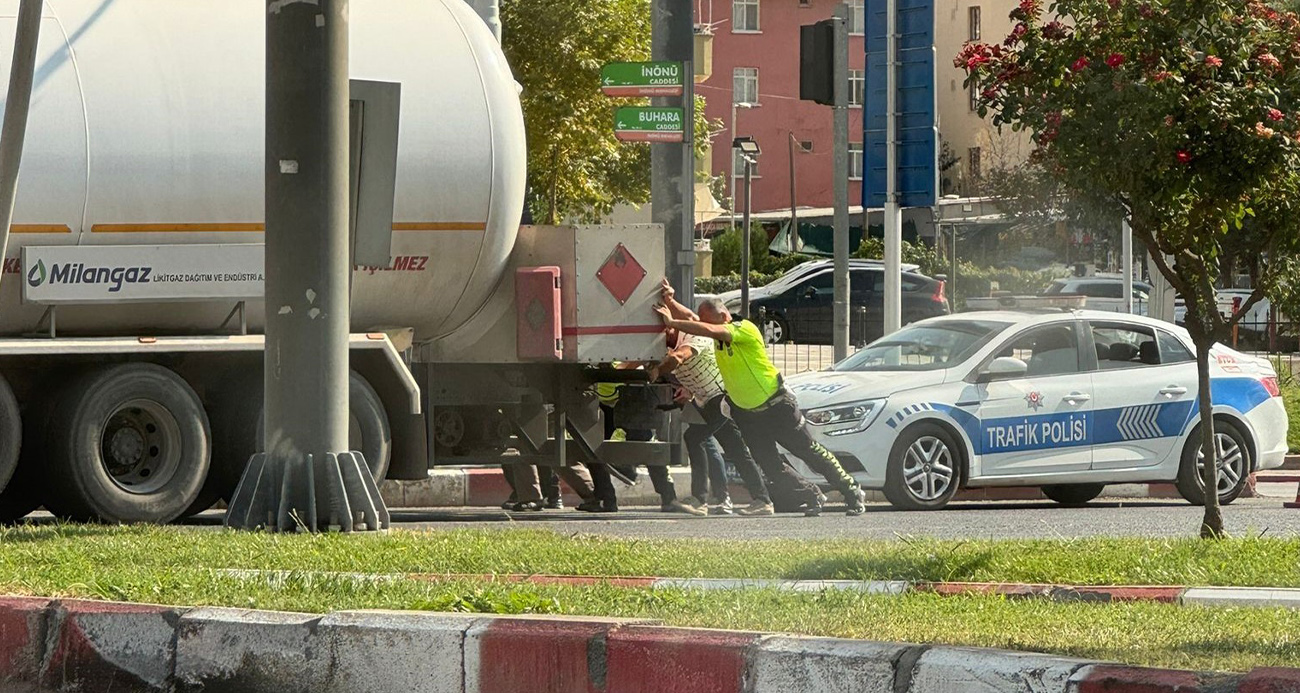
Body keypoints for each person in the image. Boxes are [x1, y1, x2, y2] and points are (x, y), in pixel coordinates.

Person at [654, 281, 867, 516]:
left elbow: (707, 329)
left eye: (709, 321)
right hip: (747, 414)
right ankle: (812, 494)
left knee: (808, 452)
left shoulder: (743, 329)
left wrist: (673, 323)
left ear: (724, 316)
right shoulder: (714, 330)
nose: (703, 325)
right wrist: (671, 302)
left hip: (777, 406)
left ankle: (851, 491)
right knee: (770, 465)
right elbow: (695, 321)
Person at [651, 328, 778, 516]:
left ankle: (700, 500)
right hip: (710, 400)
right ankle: (763, 499)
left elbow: (679, 358)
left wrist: (655, 371)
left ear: (670, 329)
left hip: (721, 397)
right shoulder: (669, 345)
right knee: (736, 449)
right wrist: (689, 390)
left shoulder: (693, 336)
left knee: (694, 437)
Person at [581, 368, 680, 513]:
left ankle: (668, 496)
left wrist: (620, 368)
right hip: (606, 400)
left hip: (633, 396)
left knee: (646, 449)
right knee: (591, 447)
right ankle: (605, 498)